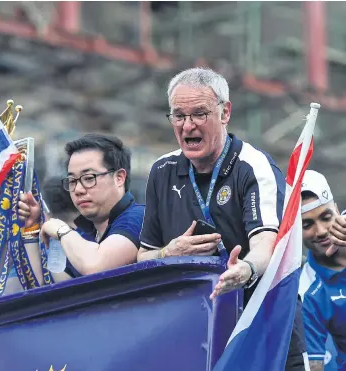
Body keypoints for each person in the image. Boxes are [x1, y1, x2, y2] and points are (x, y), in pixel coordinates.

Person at [137, 67, 307, 370]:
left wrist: (246, 269)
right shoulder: (160, 171)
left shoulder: (253, 167)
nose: (187, 126)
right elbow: (143, 257)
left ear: (225, 112)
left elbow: (265, 244)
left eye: (200, 114)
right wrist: (168, 253)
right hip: (196, 328)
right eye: (178, 115)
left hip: (261, 320)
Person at [19, 133, 144, 283]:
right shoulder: (83, 235)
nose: (78, 189)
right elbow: (45, 285)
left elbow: (95, 265)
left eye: (89, 178)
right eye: (72, 181)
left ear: (119, 178)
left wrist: (61, 229)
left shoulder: (139, 217)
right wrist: (31, 229)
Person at [298, 170, 346, 371]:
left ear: (336, 209)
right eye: (307, 224)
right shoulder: (306, 291)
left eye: (326, 217)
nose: (321, 231)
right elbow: (314, 365)